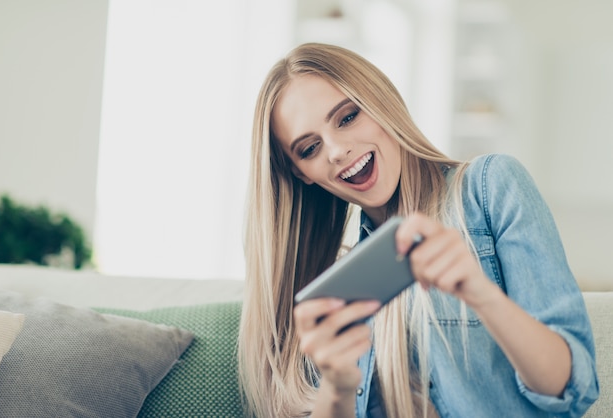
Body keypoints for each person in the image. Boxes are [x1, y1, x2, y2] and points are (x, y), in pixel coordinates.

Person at [237, 42, 599, 418]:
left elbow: (573, 388)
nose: (337, 150)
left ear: (381, 100)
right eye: (310, 148)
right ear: (301, 173)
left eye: (347, 118)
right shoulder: (333, 288)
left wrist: (481, 295)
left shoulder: (489, 189)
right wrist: (338, 388)